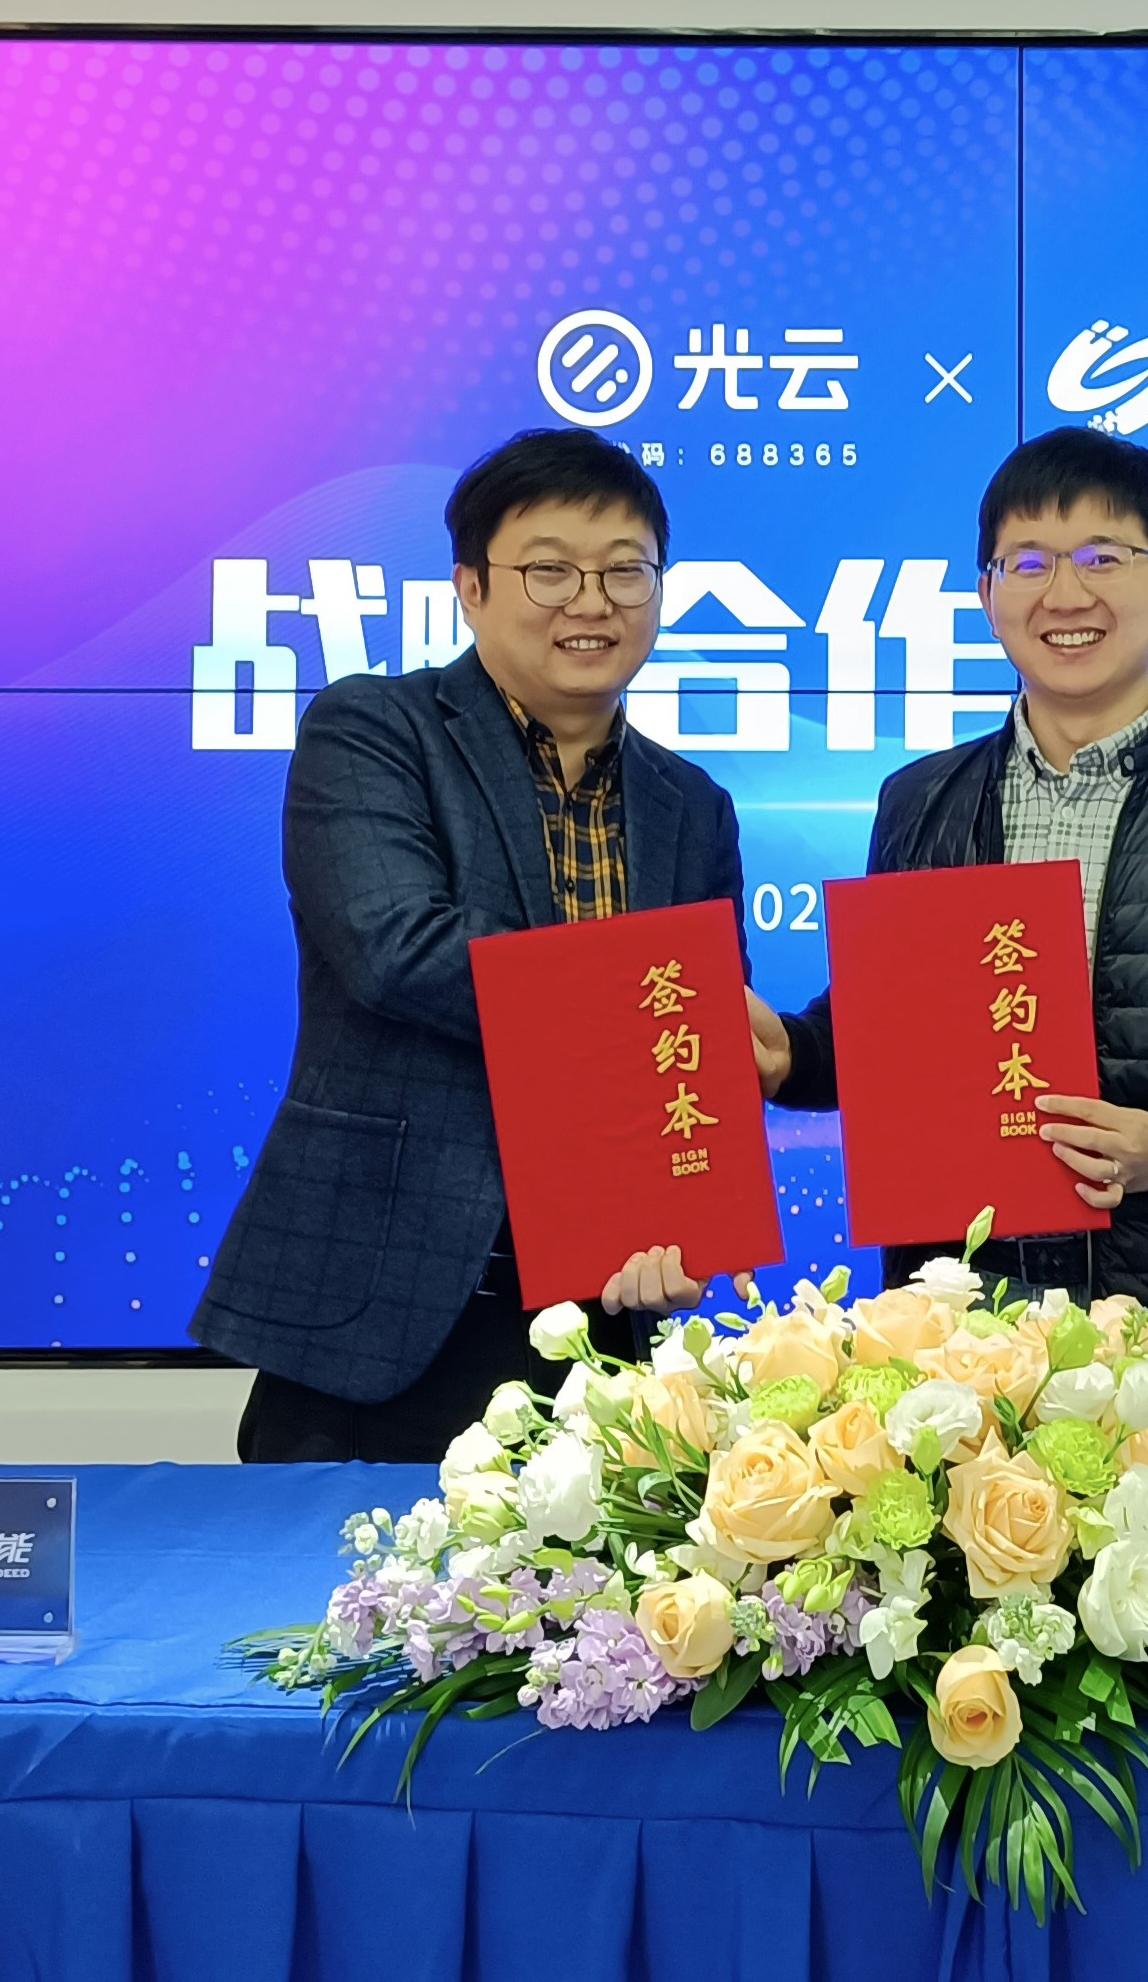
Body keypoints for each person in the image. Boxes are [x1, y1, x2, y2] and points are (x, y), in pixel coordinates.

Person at [194, 429, 775, 1462]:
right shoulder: (375, 729)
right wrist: (649, 1001)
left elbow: (694, 1049)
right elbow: (396, 946)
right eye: (550, 570)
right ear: (471, 586)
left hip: (594, 1312)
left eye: (625, 571)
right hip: (377, 1301)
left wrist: (689, 1217)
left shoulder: (692, 805)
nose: (591, 602)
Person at [754, 427, 1148, 1343]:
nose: (1065, 593)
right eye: (1027, 561)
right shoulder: (919, 800)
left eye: (1103, 557)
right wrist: (793, 1053)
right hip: (959, 1335)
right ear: (987, 594)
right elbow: (897, 1034)